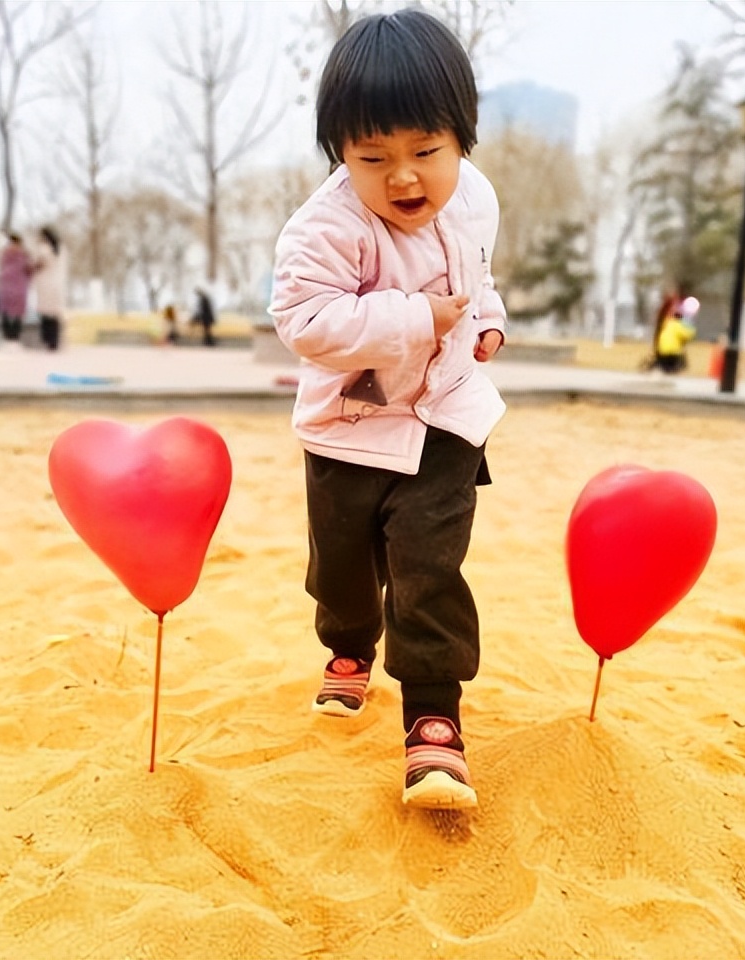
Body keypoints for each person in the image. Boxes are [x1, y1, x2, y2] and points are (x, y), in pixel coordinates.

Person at [268, 9, 506, 810]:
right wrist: (414, 318)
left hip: (443, 419)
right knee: (344, 569)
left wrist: (489, 320)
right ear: (341, 153)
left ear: (462, 138)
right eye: (374, 158)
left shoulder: (474, 199)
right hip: (350, 426)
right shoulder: (325, 228)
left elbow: (479, 275)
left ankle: (434, 724)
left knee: (428, 569)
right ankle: (346, 647)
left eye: (425, 153)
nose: (405, 178)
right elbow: (305, 324)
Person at [32, 226, 67, 351]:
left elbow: (39, 264)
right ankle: (55, 341)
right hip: (57, 283)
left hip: (45, 283)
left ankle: (48, 340)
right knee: (55, 314)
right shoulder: (61, 249)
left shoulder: (44, 249)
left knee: (46, 314)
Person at [0, 232, 32, 345]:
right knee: (18, 311)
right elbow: (29, 269)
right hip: (19, 284)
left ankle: (7, 335)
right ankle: (15, 336)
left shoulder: (4, 253)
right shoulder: (24, 254)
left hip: (6, 283)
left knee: (5, 310)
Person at [653, 295, 699, 375]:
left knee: (666, 369)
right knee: (681, 364)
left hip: (662, 350)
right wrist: (691, 328)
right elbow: (687, 335)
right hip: (672, 351)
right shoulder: (677, 325)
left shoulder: (667, 323)